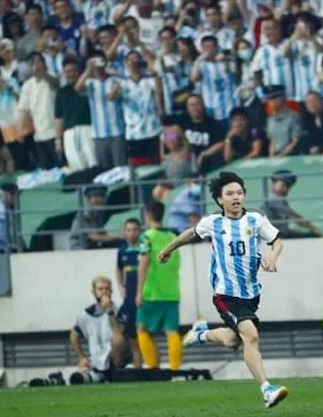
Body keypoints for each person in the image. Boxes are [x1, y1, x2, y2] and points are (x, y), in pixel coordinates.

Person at [157, 172, 288, 409]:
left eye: (239, 192)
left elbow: (277, 241)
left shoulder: (256, 220)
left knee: (232, 341)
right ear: (220, 200)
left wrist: (272, 255)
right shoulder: (213, 223)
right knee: (251, 336)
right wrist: (169, 248)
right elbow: (190, 233)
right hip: (225, 294)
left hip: (251, 293)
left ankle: (201, 333)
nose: (236, 197)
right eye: (229, 194)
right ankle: (267, 389)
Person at [135, 201, 182, 370]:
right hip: (172, 292)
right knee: (172, 331)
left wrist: (139, 291)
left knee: (141, 328)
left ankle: (153, 366)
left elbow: (144, 263)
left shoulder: (147, 237)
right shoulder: (173, 236)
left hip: (152, 292)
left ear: (148, 215)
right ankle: (175, 370)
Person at [70, 276, 125, 382]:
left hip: (115, 357)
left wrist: (110, 311)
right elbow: (73, 336)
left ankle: (116, 371)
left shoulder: (118, 310)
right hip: (96, 358)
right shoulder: (85, 314)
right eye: (100, 289)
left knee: (118, 339)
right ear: (93, 292)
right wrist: (81, 356)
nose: (104, 292)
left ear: (111, 291)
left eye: (107, 288)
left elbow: (118, 333)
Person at [259, 170, 322, 239]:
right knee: (315, 236)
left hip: (276, 233)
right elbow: (294, 217)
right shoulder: (274, 199)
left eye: (288, 187)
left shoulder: (269, 198)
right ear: (274, 183)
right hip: (277, 236)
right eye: (283, 185)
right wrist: (314, 229)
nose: (286, 189)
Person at [115, 218, 143, 368]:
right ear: (124, 232)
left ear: (139, 231)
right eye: (128, 230)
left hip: (140, 300)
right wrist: (120, 285)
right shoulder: (122, 250)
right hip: (128, 300)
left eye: (134, 229)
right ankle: (116, 367)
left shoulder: (144, 249)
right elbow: (118, 268)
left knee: (136, 340)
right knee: (118, 332)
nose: (131, 233)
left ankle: (138, 369)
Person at [69, 184, 115, 250]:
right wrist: (116, 237)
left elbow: (101, 232)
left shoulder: (99, 213)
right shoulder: (84, 214)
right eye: (96, 196)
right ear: (88, 199)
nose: (100, 199)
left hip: (92, 246)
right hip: (80, 248)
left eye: (102, 196)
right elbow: (93, 236)